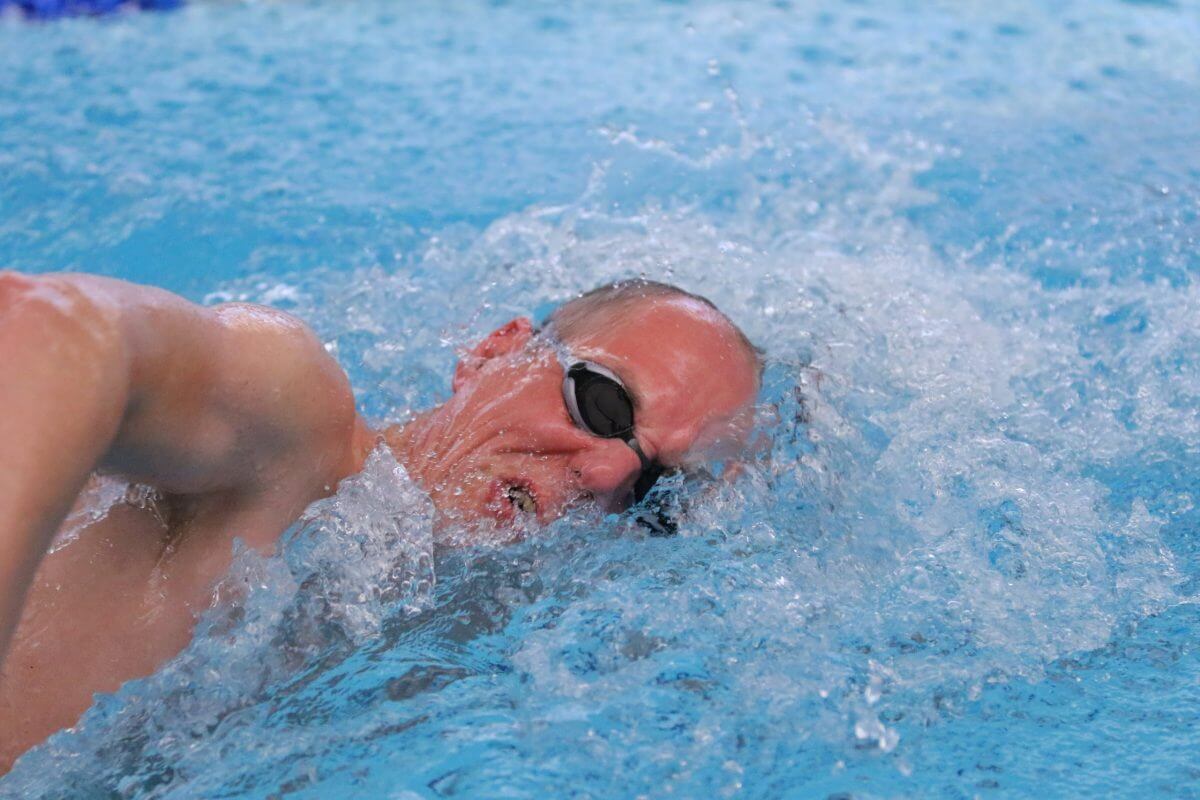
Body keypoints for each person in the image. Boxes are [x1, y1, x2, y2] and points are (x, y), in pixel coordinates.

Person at [0, 271, 761, 772]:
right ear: (489, 354)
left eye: (657, 484)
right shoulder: (295, 429)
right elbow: (48, 323)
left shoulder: (453, 657)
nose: (607, 472)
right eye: (604, 403)